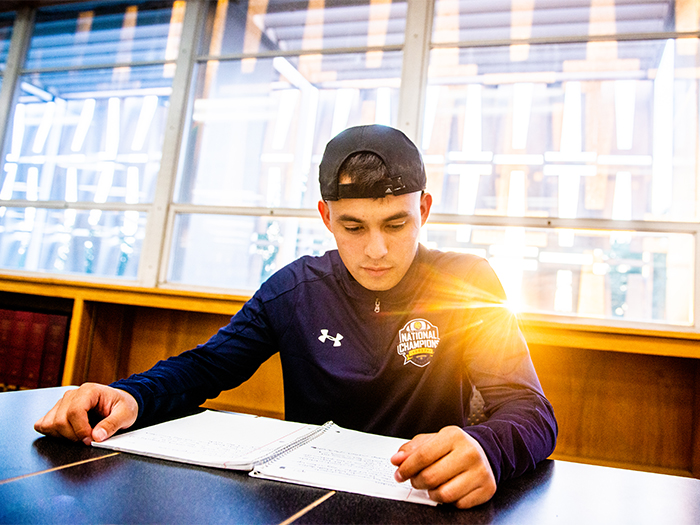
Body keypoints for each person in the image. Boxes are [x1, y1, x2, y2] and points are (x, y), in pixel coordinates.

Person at [35, 124, 557, 509]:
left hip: (424, 499)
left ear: (423, 211)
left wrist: (488, 447)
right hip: (305, 500)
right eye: (353, 227)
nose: (376, 250)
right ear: (326, 217)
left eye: (395, 223)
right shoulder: (296, 287)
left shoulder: (468, 282)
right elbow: (206, 366)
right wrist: (132, 394)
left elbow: (531, 411)